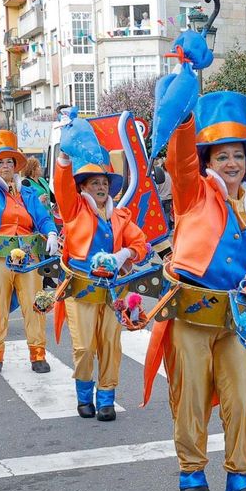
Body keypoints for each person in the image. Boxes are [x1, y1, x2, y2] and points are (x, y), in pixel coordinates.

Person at [142, 85, 246, 491]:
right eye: (221, 156)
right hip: (192, 313)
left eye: (237, 154)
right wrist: (182, 106)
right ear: (208, 162)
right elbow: (180, 157)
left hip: (237, 316)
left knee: (242, 397)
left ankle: (240, 472)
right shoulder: (192, 192)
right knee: (190, 393)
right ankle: (192, 471)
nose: (231, 163)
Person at [53, 114, 150, 422]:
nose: (100, 187)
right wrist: (65, 158)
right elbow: (62, 185)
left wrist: (123, 255)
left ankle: (106, 398)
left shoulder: (121, 217)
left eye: (104, 183)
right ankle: (84, 395)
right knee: (83, 348)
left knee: (110, 346)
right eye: (94, 182)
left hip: (113, 292)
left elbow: (142, 245)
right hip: (80, 287)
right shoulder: (74, 209)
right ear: (83, 187)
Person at [0, 125, 58, 376]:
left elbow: (43, 217)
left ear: (16, 166)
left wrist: (51, 232)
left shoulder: (27, 192)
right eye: (0, 162)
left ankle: (38, 354)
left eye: (9, 162)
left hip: (29, 256)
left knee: (35, 304)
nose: (5, 166)